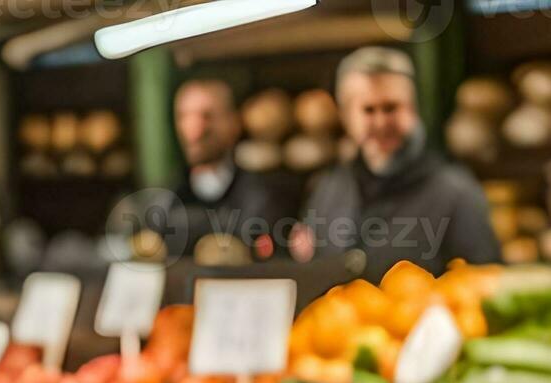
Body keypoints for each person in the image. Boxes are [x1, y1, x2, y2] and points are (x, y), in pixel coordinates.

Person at [296, 47, 500, 277]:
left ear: (413, 109)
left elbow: (483, 285)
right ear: (345, 115)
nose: (381, 123)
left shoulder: (456, 193)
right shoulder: (328, 188)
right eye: (368, 110)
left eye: (391, 108)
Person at [165, 78, 297, 258]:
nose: (194, 129)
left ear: (233, 122)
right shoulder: (166, 199)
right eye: (184, 116)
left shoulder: (264, 197)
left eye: (207, 116)